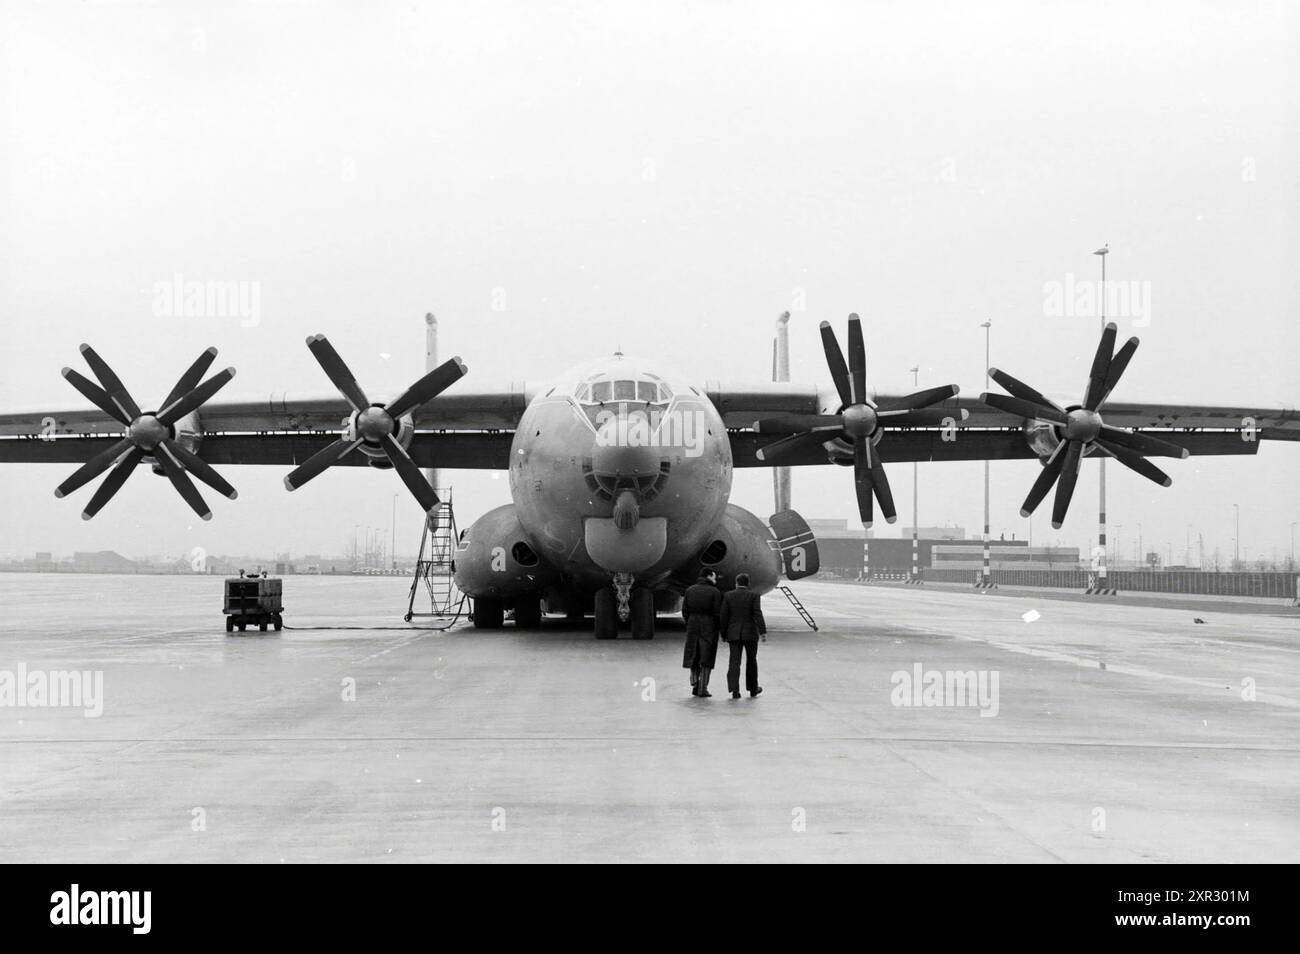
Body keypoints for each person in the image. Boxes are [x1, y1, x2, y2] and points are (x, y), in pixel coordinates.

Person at [720, 572, 766, 699]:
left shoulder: (728, 596)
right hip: (750, 633)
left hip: (733, 633)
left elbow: (724, 616)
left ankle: (734, 690)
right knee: (751, 661)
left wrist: (723, 633)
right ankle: (753, 689)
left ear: (736, 583)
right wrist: (763, 632)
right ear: (748, 583)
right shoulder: (754, 596)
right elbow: (758, 614)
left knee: (734, 662)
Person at [681, 570, 722, 697]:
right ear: (709, 576)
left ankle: (694, 682)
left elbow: (684, 610)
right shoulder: (715, 592)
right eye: (714, 576)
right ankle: (703, 688)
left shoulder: (690, 590)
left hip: (693, 623)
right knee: (706, 657)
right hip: (708, 625)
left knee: (693, 654)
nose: (716, 579)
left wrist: (690, 622)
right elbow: (717, 613)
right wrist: (719, 627)